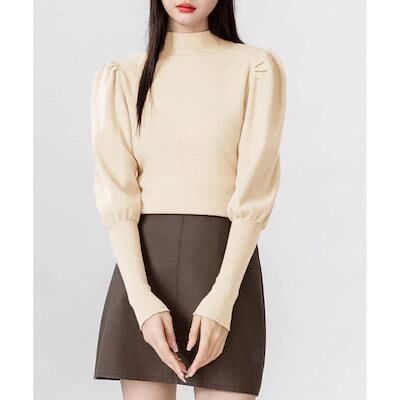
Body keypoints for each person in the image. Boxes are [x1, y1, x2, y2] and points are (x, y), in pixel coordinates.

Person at [90, 1, 286, 399]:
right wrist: (142, 302)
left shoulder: (255, 68)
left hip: (224, 270)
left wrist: (222, 299)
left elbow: (254, 192)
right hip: (143, 274)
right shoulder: (122, 76)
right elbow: (118, 198)